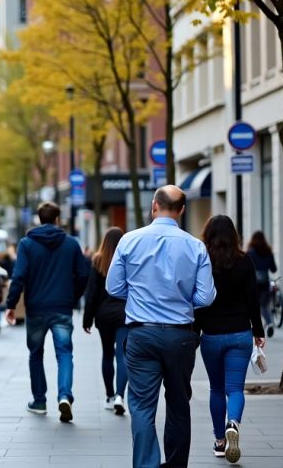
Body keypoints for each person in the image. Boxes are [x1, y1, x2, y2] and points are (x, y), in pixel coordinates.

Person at [107, 185, 216, 468]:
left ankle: (146, 465)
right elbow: (205, 297)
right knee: (179, 404)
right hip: (181, 335)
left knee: (142, 407)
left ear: (154, 206)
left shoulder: (129, 241)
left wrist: (141, 294)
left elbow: (113, 287)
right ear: (182, 210)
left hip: (141, 333)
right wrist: (180, 297)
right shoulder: (195, 246)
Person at [6, 202, 89, 422]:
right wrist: (73, 297)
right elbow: (83, 274)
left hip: (36, 309)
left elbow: (19, 275)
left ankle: (40, 400)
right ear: (58, 219)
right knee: (64, 353)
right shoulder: (71, 244)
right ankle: (64, 395)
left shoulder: (27, 244)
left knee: (36, 354)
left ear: (39, 219)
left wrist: (11, 304)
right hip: (62, 307)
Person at [196, 216, 266, 463]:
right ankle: (233, 423)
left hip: (212, 335)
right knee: (235, 389)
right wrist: (258, 331)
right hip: (240, 334)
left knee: (216, 389)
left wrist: (194, 333)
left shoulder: (204, 262)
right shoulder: (244, 261)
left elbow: (198, 302)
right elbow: (253, 300)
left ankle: (219, 441)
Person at [82, 227, 128, 415]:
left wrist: (87, 319)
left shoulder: (98, 260)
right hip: (125, 315)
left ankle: (109, 396)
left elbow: (91, 293)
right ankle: (120, 395)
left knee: (107, 355)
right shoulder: (129, 260)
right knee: (122, 355)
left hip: (104, 315)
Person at [247, 231, 278, 338]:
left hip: (253, 283)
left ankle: (253, 327)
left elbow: (246, 268)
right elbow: (274, 269)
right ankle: (269, 324)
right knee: (264, 306)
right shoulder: (268, 252)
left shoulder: (250, 252)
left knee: (253, 305)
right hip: (265, 282)